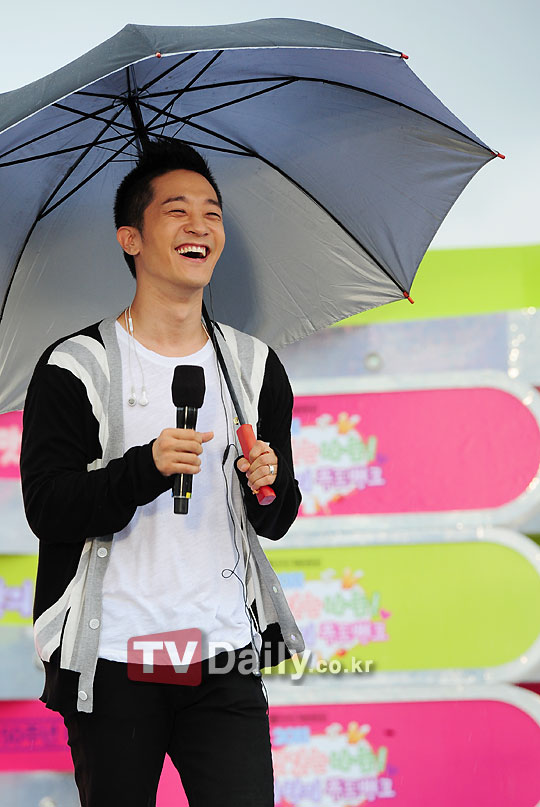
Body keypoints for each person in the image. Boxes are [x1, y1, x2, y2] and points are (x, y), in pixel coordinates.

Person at [20, 139, 304, 807]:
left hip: (224, 654)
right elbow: (49, 508)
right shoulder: (76, 366)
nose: (199, 225)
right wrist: (142, 468)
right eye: (176, 211)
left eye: (212, 212)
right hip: (115, 658)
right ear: (131, 238)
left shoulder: (253, 366)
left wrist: (265, 485)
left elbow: (277, 516)